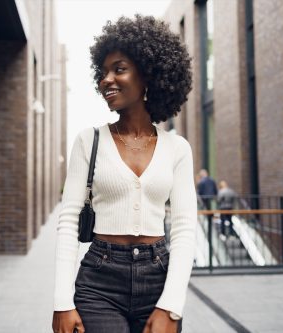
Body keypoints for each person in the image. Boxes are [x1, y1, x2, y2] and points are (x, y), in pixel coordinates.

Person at [52, 15, 196, 333]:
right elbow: (67, 223)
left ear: (148, 75)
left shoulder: (177, 148)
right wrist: (62, 303)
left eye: (118, 69)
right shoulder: (88, 140)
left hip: (158, 275)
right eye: (103, 73)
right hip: (99, 280)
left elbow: (186, 229)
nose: (106, 80)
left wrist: (171, 306)